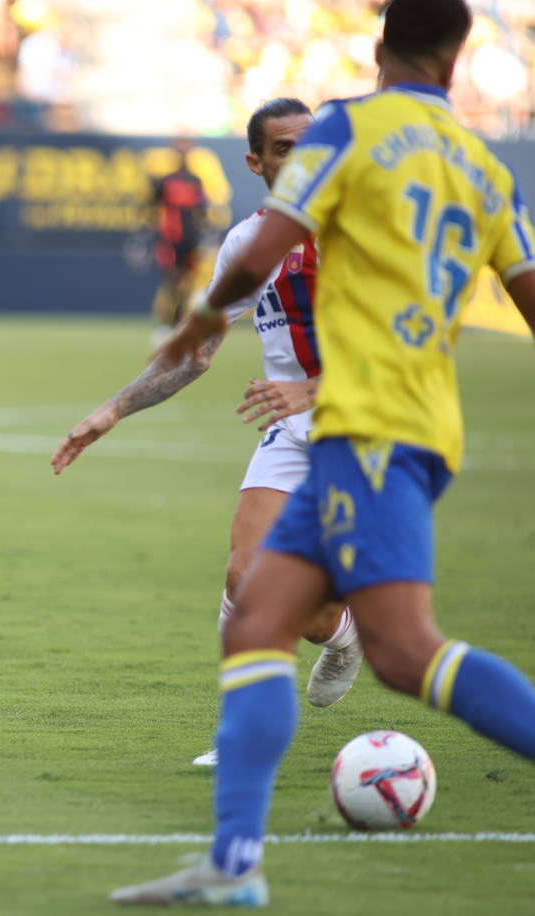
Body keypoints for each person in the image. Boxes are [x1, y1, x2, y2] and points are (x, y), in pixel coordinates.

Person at [110, 0, 535, 905]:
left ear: (379, 49)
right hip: (406, 424)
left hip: (370, 425)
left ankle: (234, 862)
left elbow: (263, 246)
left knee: (406, 652)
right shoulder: (489, 173)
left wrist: (201, 310)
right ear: (461, 59)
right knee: (257, 616)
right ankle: (234, 867)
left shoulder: (350, 128)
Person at [52, 98, 363, 771]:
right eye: (282, 147)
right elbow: (196, 352)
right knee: (243, 577)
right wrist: (111, 409)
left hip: (369, 432)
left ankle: (342, 626)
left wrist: (314, 389)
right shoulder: (249, 243)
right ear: (255, 162)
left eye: (309, 143)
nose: (299, 156)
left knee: (328, 605)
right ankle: (254, 725)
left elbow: (407, 348)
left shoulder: (361, 228)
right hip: (292, 434)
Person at [148, 137, 209, 338]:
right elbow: (152, 208)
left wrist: (204, 233)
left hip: (191, 237)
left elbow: (201, 212)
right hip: (172, 238)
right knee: (172, 281)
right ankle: (167, 324)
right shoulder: (165, 181)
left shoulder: (195, 181)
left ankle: (179, 322)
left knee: (188, 282)